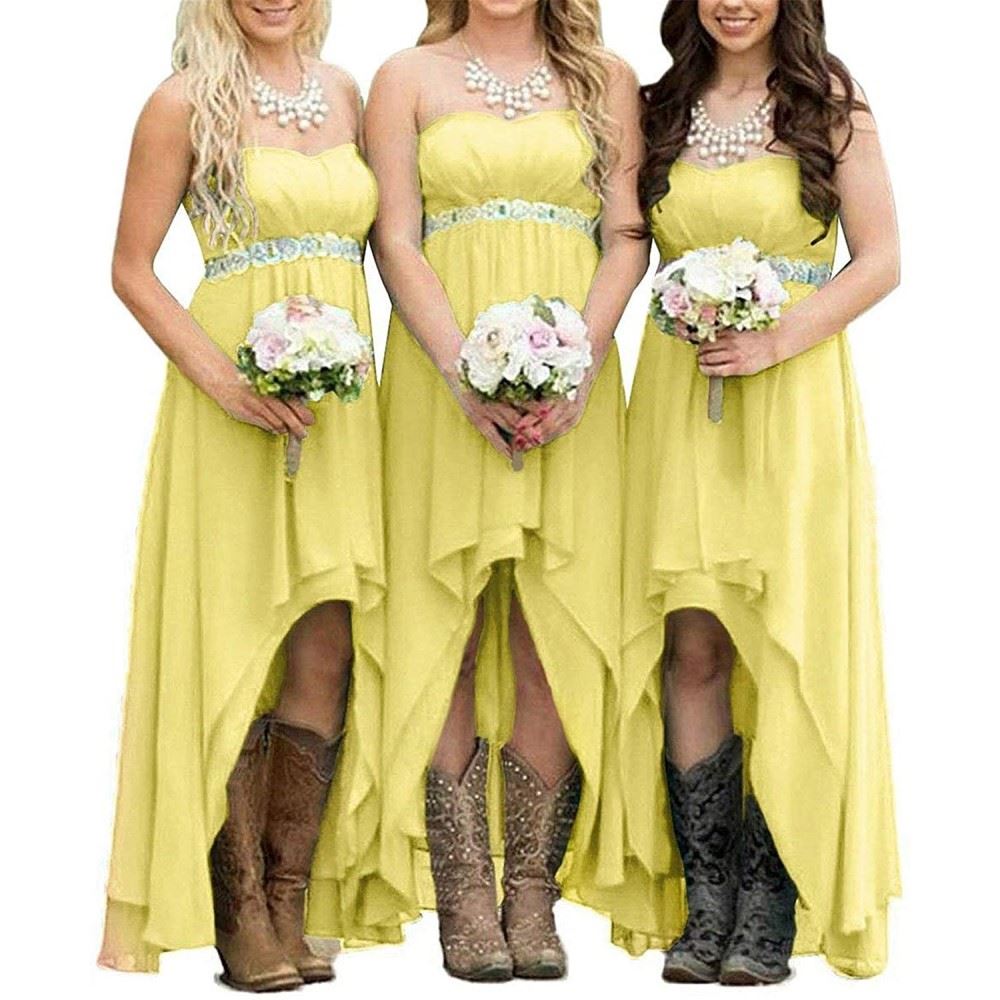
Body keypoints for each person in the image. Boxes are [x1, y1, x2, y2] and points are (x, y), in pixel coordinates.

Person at [96, 0, 385, 989]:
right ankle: (240, 908)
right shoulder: (182, 103)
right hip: (230, 398)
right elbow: (132, 269)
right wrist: (226, 384)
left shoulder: (347, 93)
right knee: (232, 639)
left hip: (343, 405)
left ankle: (292, 895)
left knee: (327, 636)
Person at [614, 0, 901, 984]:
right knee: (691, 642)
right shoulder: (658, 108)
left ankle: (770, 903)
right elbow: (624, 243)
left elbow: (882, 259)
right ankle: (707, 903)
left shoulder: (830, 102)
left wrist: (779, 338)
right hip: (676, 401)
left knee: (782, 641)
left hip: (793, 403)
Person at [365, 0, 648, 982]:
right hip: (438, 375)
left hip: (574, 382)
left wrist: (579, 363)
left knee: (551, 622)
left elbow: (626, 234)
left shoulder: (605, 76)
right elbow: (395, 238)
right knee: (442, 620)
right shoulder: (404, 76)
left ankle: (532, 891)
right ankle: (463, 896)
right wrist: (459, 371)